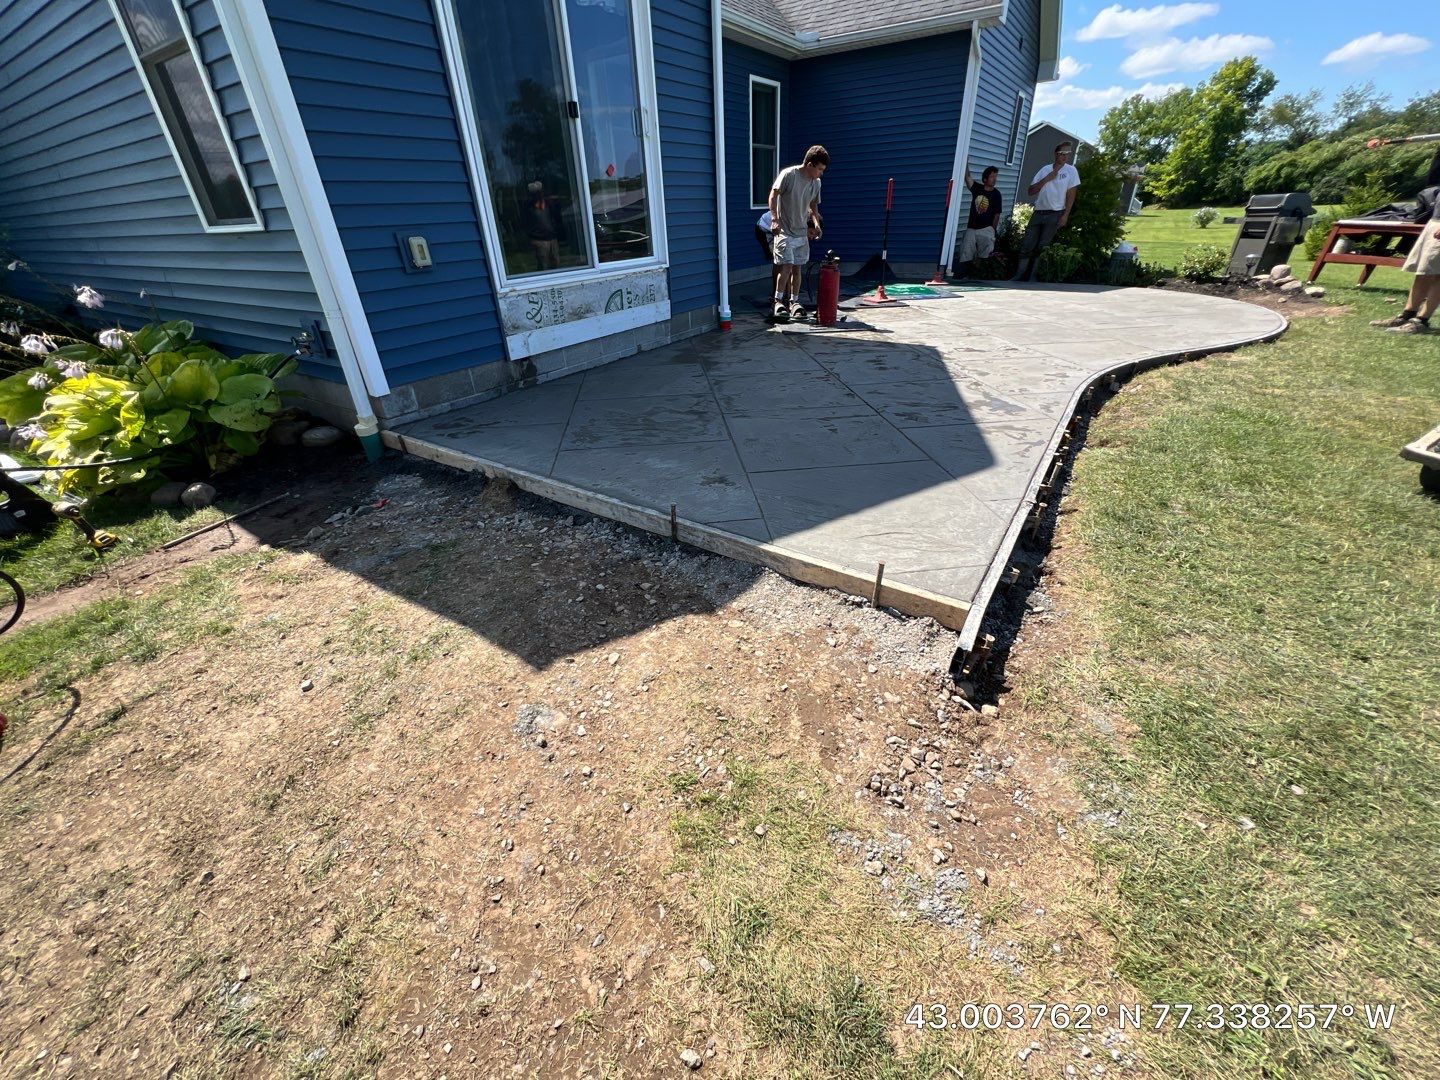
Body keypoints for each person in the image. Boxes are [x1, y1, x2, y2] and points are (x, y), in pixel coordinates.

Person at [1370, 143, 1440, 334]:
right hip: (1435, 220)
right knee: (1424, 271)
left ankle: (1421, 321)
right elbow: (1434, 178)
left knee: (1437, 274)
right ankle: (1407, 315)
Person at [768, 145, 828, 320]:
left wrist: (816, 224)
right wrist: (775, 219)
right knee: (786, 265)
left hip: (801, 232)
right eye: (819, 169)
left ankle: (794, 302)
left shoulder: (816, 183)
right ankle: (777, 301)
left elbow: (813, 205)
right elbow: (773, 195)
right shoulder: (789, 175)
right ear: (809, 164)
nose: (821, 173)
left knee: (797, 267)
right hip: (785, 230)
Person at [1014, 141, 1080, 282]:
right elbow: (1031, 191)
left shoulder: (1071, 171)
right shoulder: (1044, 170)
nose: (1065, 156)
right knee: (1027, 244)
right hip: (1038, 212)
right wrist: (1046, 179)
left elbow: (1071, 194)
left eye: (1068, 153)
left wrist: (1065, 215)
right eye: (1062, 153)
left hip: (1055, 213)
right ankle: (1019, 275)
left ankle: (1033, 277)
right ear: (1056, 154)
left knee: (1042, 247)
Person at [956, 164, 1003, 277]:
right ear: (985, 179)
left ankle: (981, 276)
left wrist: (992, 230)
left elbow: (997, 214)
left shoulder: (996, 194)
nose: (994, 179)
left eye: (996, 176)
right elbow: (967, 177)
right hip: (972, 227)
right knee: (965, 252)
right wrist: (965, 161)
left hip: (987, 228)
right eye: (992, 176)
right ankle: (962, 276)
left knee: (986, 254)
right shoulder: (977, 189)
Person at [524, 181, 563, 270]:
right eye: (536, 193)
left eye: (540, 192)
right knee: (543, 265)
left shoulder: (549, 204)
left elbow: (556, 217)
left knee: (556, 262)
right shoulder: (528, 207)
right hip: (539, 240)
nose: (539, 194)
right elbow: (525, 223)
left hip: (552, 238)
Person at [755, 208, 780, 300]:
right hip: (764, 228)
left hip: (776, 229)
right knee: (778, 260)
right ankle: (776, 294)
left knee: (782, 260)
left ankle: (782, 291)